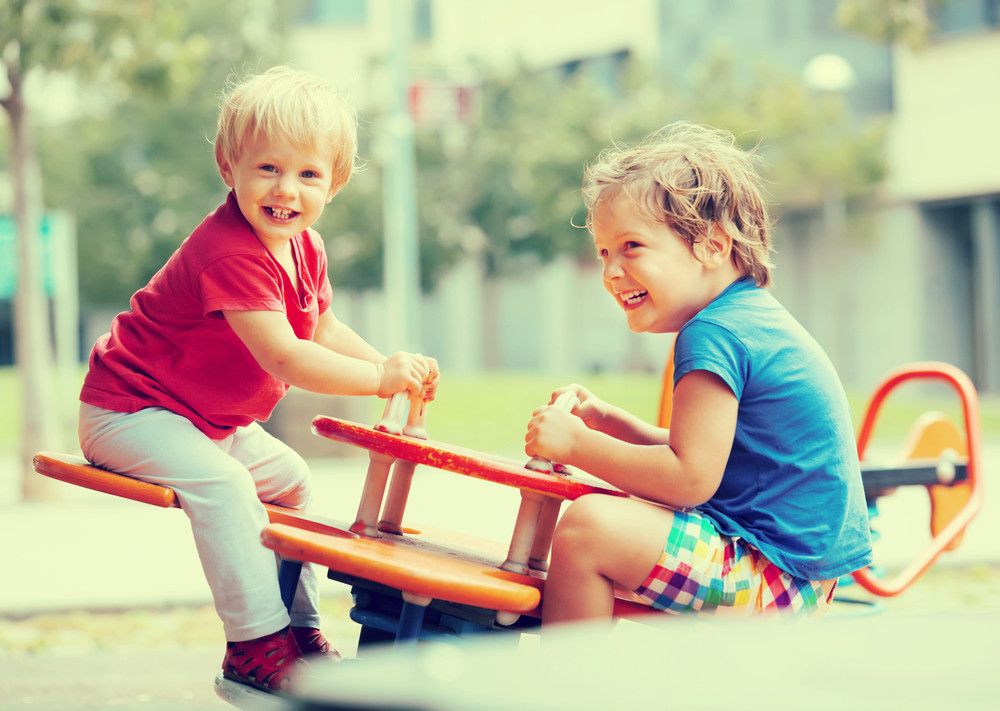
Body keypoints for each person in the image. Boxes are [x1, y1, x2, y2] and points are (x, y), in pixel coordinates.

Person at [78, 66, 439, 692]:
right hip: (129, 412)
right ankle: (254, 645)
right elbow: (287, 357)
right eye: (266, 168)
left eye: (307, 174)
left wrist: (392, 367)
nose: (286, 190)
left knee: (293, 483)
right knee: (223, 486)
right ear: (229, 167)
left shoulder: (305, 247)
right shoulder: (231, 250)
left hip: (202, 423)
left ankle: (297, 631)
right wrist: (378, 378)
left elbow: (321, 330)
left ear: (336, 182)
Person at [524, 122, 871, 624]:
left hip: (774, 576)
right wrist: (607, 422)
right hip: (797, 576)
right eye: (603, 252)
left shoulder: (714, 334)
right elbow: (702, 453)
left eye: (631, 247)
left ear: (711, 245)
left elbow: (688, 479)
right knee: (614, 517)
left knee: (587, 530)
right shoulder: (744, 317)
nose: (610, 272)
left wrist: (575, 446)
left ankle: (570, 690)